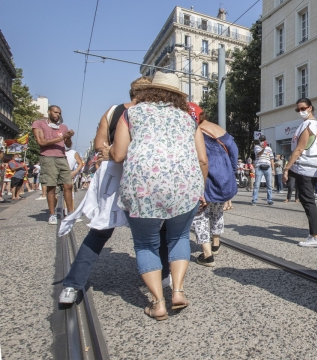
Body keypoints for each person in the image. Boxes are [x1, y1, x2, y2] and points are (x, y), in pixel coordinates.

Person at [58, 77, 172, 304]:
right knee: (158, 228)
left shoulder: (114, 111)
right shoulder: (156, 113)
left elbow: (100, 146)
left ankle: (72, 286)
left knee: (100, 230)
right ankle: (164, 274)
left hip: (115, 176)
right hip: (144, 178)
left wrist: (113, 150)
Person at [109, 71, 208, 321]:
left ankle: (157, 303)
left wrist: (107, 150)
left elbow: (119, 154)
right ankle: (177, 291)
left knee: (145, 244)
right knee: (179, 237)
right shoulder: (188, 119)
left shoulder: (131, 113)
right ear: (178, 97)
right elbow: (202, 159)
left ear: (149, 91)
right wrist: (201, 189)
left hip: (143, 185)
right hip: (185, 185)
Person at [193, 109, 239, 267]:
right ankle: (216, 243)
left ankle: (207, 255)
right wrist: (230, 171)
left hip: (206, 175)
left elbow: (201, 159)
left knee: (199, 214)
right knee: (217, 210)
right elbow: (234, 150)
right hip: (223, 175)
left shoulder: (194, 129)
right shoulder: (219, 128)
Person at [283, 98, 317, 247]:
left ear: (310, 108)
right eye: (298, 109)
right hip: (315, 167)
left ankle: (315, 236)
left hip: (306, 167)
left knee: (308, 201)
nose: (300, 111)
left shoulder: (308, 125)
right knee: (306, 199)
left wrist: (286, 168)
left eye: (303, 108)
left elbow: (299, 149)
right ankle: (315, 227)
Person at [32, 106, 75, 225]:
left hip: (62, 157)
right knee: (51, 187)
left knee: (68, 185)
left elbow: (68, 145)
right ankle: (52, 214)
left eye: (59, 113)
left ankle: (70, 213)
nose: (58, 115)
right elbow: (41, 142)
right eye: (55, 112)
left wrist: (68, 137)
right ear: (49, 112)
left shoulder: (63, 127)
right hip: (48, 158)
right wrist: (62, 137)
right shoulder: (39, 124)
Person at [252, 135, 275, 205]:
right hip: (259, 167)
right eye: (261, 140)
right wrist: (263, 149)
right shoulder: (256, 147)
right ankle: (254, 200)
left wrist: (273, 169)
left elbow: (272, 159)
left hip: (268, 167)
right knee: (256, 185)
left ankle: (269, 199)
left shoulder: (269, 148)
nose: (262, 141)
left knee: (269, 185)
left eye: (264, 140)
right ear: (259, 140)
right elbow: (258, 154)